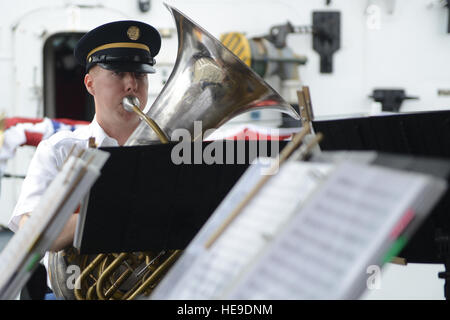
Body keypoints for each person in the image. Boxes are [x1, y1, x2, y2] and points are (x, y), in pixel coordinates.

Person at [7, 20, 162, 296]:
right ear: (90, 83)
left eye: (140, 74)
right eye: (118, 73)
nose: (131, 85)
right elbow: (29, 233)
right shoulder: (59, 150)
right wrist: (104, 218)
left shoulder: (168, 150)